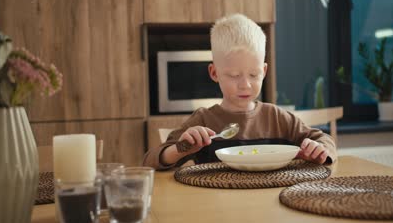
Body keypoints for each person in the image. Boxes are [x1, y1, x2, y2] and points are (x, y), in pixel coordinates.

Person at [143, 14, 336, 170]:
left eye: (254, 74)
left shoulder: (277, 118)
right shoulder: (203, 120)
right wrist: (183, 148)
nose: (245, 85)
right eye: (234, 75)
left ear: (265, 71)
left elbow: (324, 140)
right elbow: (150, 160)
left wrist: (318, 150)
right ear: (214, 73)